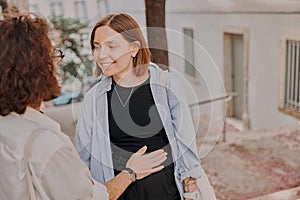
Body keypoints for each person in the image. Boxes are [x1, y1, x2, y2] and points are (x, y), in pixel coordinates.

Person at [0, 10, 167, 200]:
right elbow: (90, 196)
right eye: (53, 57)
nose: (57, 64)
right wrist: (130, 172)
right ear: (38, 69)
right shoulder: (47, 144)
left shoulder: (7, 128)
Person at [74, 13, 204, 200]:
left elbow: (186, 146)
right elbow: (81, 160)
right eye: (96, 47)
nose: (101, 55)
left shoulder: (167, 86)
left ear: (134, 48)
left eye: (111, 46)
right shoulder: (94, 99)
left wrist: (190, 195)